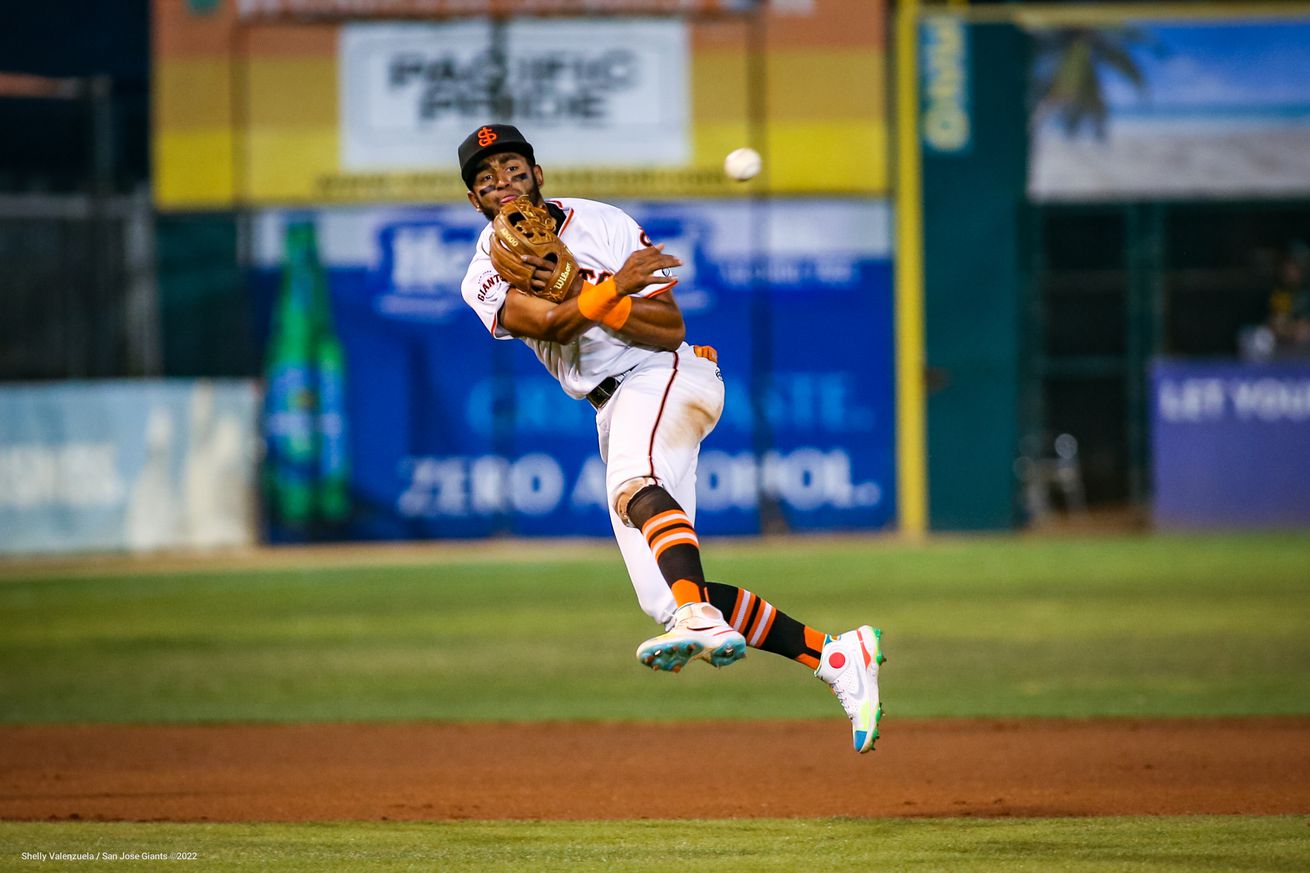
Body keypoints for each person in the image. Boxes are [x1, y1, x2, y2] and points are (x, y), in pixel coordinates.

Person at [456, 123, 885, 752]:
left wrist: (611, 295)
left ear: (538, 175)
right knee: (666, 596)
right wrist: (606, 290)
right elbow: (546, 319)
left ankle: (701, 616)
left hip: (663, 373)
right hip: (612, 405)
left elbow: (667, 325)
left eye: (515, 170)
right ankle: (835, 655)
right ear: (476, 201)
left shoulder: (600, 223)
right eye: (488, 181)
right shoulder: (481, 272)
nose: (505, 186)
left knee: (640, 488)